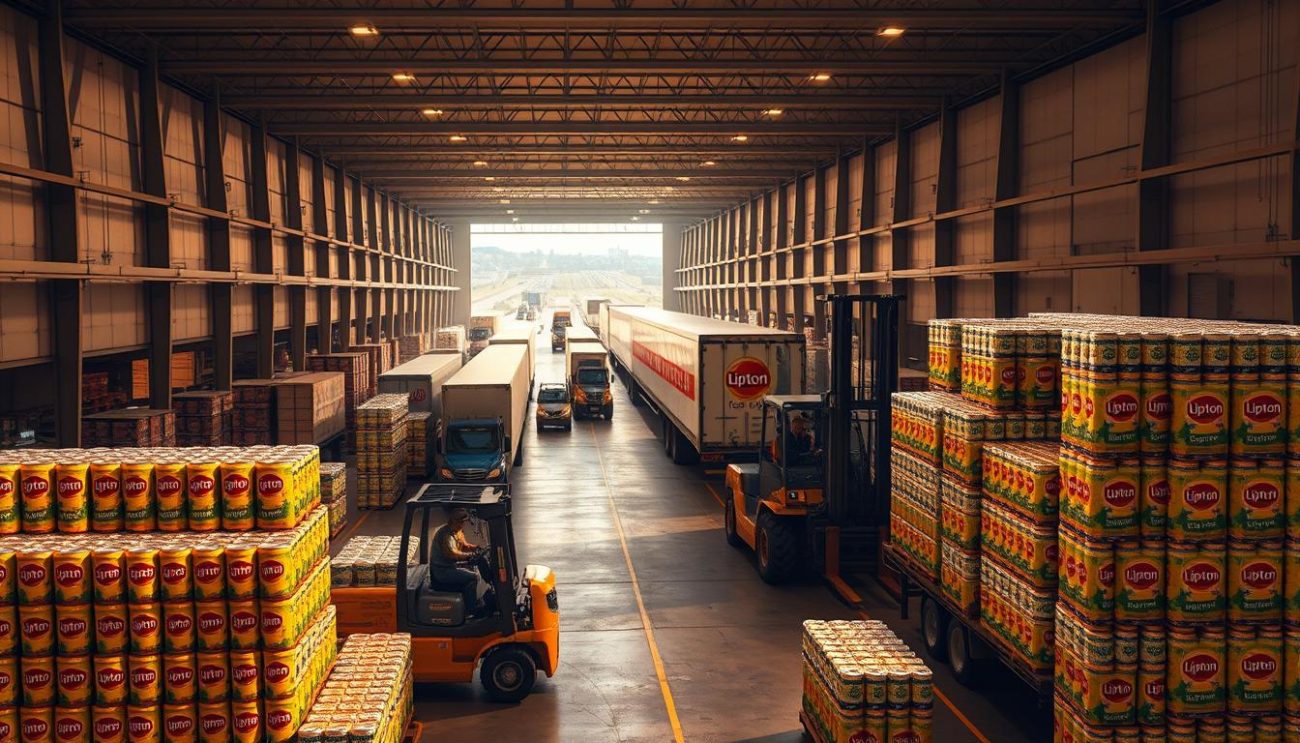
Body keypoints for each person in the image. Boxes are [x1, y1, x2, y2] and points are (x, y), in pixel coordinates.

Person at [430, 507, 491, 616]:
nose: (462, 524)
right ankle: (471, 610)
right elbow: (452, 553)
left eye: (463, 522)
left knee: (473, 569)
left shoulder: (456, 532)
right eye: (460, 522)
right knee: (473, 577)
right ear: (453, 521)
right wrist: (469, 557)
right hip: (442, 571)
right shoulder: (446, 535)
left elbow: (464, 546)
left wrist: (477, 548)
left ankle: (471, 601)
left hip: (449, 566)